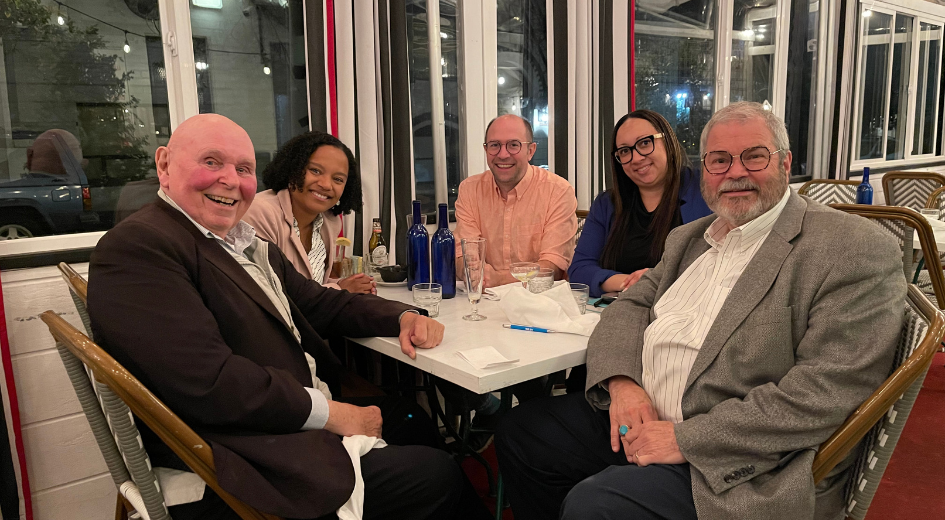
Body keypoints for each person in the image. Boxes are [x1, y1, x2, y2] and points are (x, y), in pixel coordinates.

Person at [495, 101, 906, 520]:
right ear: (705, 170)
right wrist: (622, 383)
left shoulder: (852, 247)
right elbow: (630, 307)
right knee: (522, 432)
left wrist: (686, 439)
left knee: (596, 504)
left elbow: (824, 392)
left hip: (730, 456)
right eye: (720, 160)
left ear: (785, 162)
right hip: (642, 415)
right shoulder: (690, 238)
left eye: (754, 155)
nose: (735, 172)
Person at [88, 114, 491, 520]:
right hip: (238, 452)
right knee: (435, 475)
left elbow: (321, 303)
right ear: (164, 164)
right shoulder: (142, 246)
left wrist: (403, 315)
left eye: (243, 169)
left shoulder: (236, 243)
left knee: (411, 418)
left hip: (277, 414)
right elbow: (209, 383)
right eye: (211, 162)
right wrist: (334, 415)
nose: (230, 180)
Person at [568, 110, 712, 298]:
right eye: (625, 151)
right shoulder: (607, 204)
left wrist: (652, 281)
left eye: (645, 143)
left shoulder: (704, 190)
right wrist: (633, 283)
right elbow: (579, 271)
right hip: (619, 309)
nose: (636, 158)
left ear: (667, 140)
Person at [454, 114, 578, 287]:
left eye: (514, 145)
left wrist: (498, 279)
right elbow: (463, 254)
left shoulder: (558, 191)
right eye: (494, 145)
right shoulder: (470, 190)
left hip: (541, 301)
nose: (503, 154)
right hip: (484, 298)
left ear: (531, 151)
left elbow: (552, 269)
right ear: (486, 149)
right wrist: (470, 271)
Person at [243, 131, 375, 294]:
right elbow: (271, 294)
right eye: (316, 171)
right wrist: (340, 289)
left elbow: (315, 282)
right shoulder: (260, 212)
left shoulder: (329, 221)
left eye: (338, 179)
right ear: (293, 169)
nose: (326, 185)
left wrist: (351, 284)